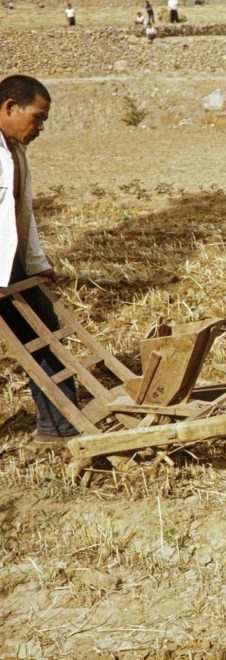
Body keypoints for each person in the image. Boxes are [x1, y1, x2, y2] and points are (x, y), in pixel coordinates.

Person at [0, 75, 79, 445]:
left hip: (12, 265)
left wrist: (37, 262)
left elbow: (22, 213)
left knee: (46, 336)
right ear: (10, 107)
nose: (41, 128)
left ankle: (60, 428)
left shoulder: (14, 151)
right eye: (38, 117)